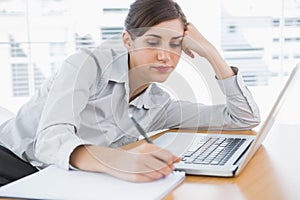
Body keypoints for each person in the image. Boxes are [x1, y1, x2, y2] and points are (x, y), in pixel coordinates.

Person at [0, 0, 260, 186]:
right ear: (128, 40)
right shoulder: (87, 64)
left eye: (176, 44)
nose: (164, 55)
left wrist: (212, 54)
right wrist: (118, 160)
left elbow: (243, 118)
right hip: (11, 160)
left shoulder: (159, 105)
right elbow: (50, 141)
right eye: (152, 41)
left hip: (62, 176)